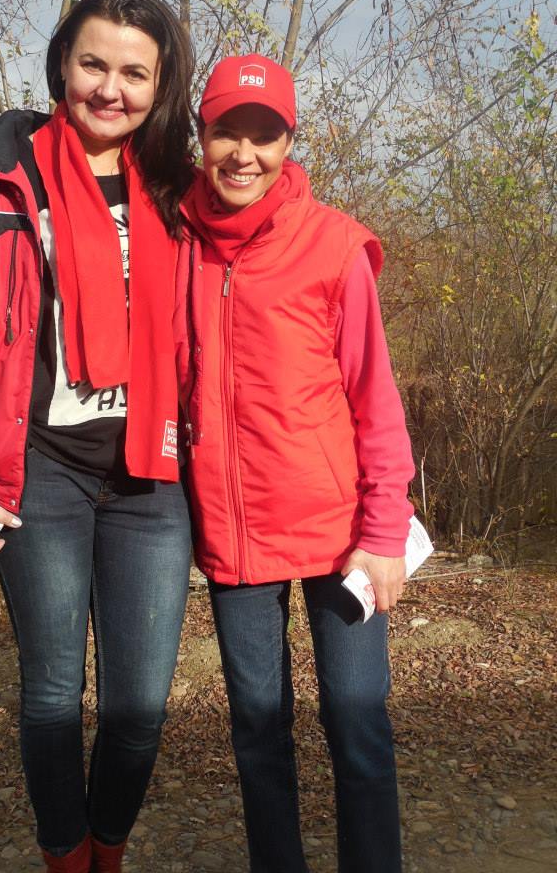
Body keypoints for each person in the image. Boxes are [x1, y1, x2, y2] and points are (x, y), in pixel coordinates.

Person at [0, 0, 195, 873]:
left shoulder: (181, 190)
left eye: (134, 73)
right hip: (37, 472)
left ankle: (109, 849)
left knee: (140, 707)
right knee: (51, 695)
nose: (111, 88)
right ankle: (66, 860)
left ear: (161, 84)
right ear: (62, 65)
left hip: (152, 474)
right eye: (93, 64)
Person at [174, 54, 415, 873]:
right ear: (201, 135)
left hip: (339, 533)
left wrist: (384, 533)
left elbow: (376, 399)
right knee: (257, 729)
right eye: (227, 132)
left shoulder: (334, 246)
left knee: (356, 717)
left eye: (265, 135)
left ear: (288, 143)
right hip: (235, 536)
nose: (244, 154)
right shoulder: (178, 240)